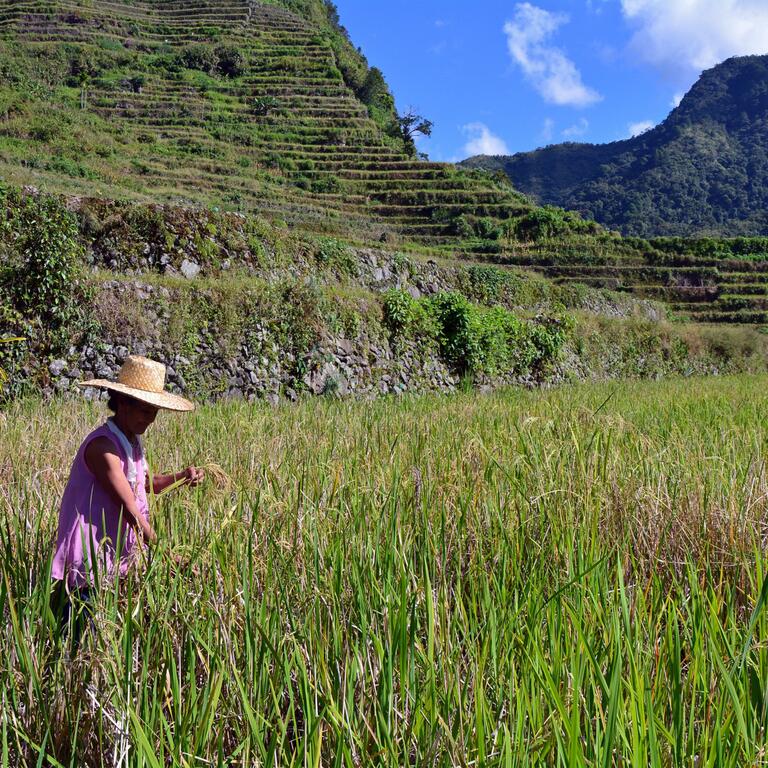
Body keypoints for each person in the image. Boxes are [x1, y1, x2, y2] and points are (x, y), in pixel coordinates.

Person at [50, 355, 204, 646]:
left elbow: (145, 485)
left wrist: (183, 476)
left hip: (111, 549)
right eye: (144, 411)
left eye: (154, 412)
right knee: (81, 636)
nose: (149, 419)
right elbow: (130, 509)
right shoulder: (103, 448)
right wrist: (166, 556)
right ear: (122, 402)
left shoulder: (130, 442)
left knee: (104, 630)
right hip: (89, 553)